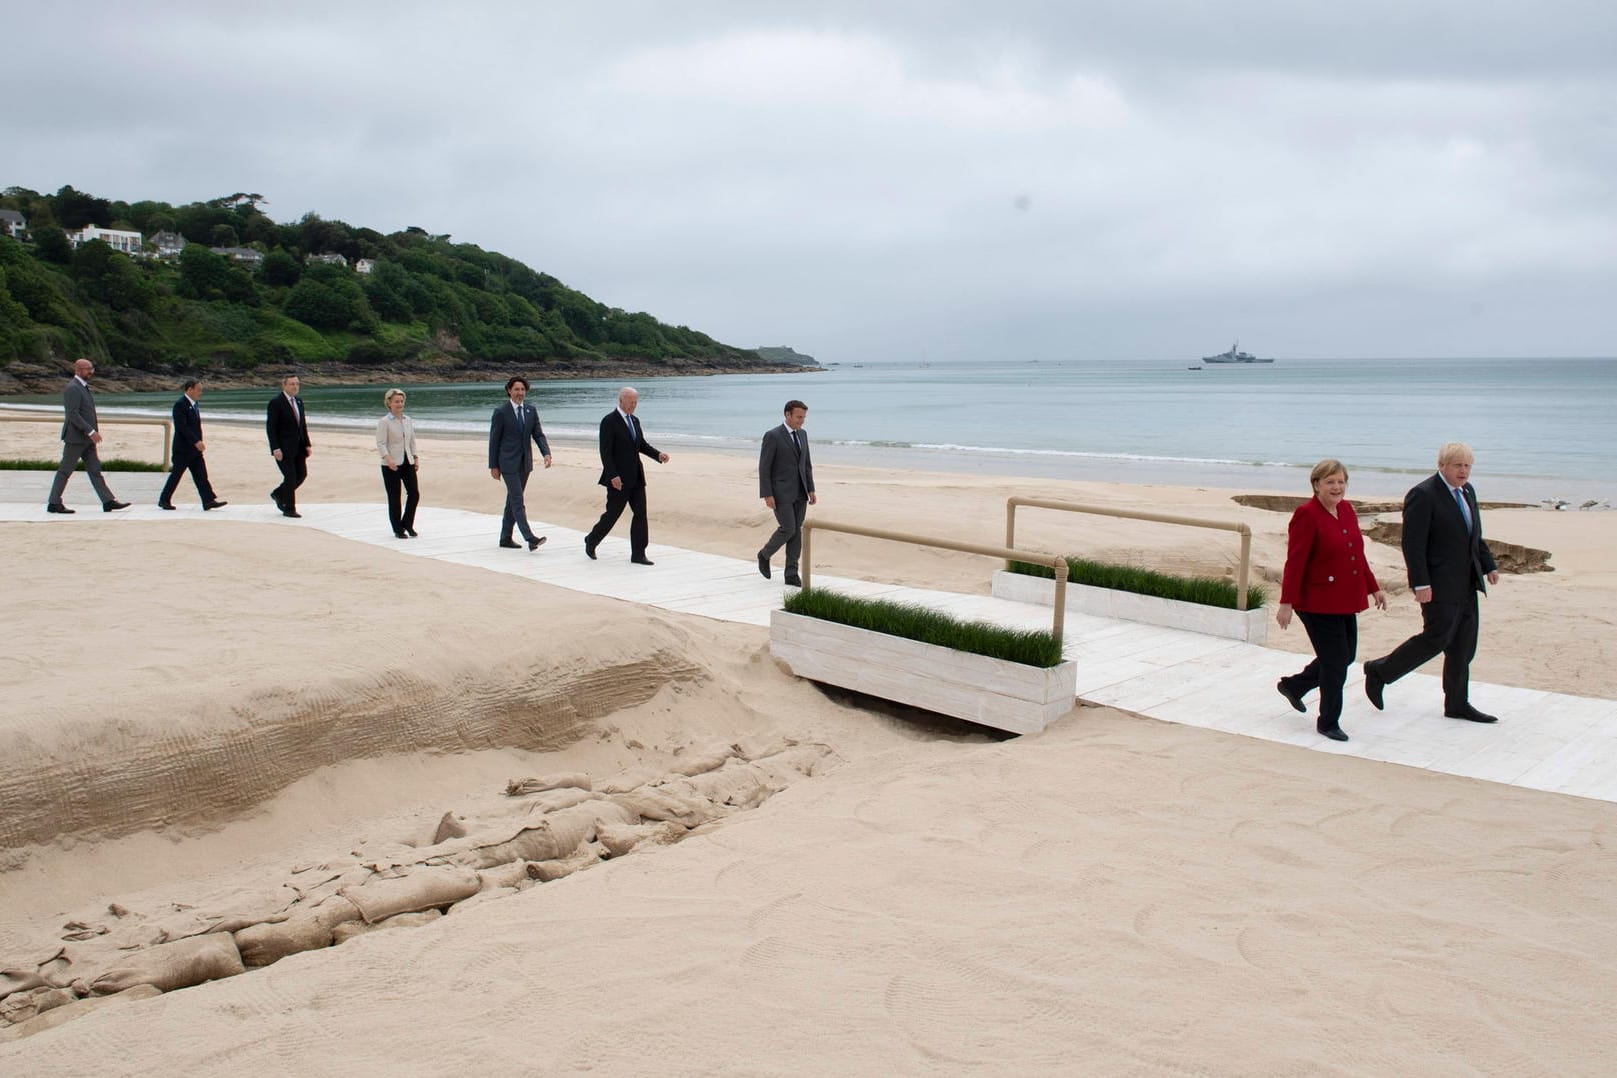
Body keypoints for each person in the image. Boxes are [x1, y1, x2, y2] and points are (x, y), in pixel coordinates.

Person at [1362, 443, 1501, 723]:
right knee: (1436, 639)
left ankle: (1457, 704)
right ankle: (1379, 671)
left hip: (1466, 582)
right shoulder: (1423, 495)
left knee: (1464, 646)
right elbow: (1413, 545)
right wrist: (1420, 584)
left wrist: (1488, 565)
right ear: (1442, 465)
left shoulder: (1468, 491)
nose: (1463, 471)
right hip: (1438, 584)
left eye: (1467, 466)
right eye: (1457, 465)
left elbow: (1474, 535)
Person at [1275, 459, 1387, 741]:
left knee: (1345, 655)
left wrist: (1374, 587)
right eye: (1330, 482)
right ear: (1316, 485)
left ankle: (1294, 686)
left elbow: (1357, 554)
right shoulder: (1306, 514)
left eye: (1340, 481)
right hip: (1314, 601)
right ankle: (1328, 722)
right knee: (1336, 662)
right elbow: (1295, 562)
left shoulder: (1347, 510)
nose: (1337, 487)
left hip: (1344, 598)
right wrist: (1286, 603)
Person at [583, 386, 668, 565]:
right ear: (621, 400)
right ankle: (592, 540)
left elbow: (641, 445)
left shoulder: (635, 421)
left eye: (635, 403)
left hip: (636, 476)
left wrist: (658, 455)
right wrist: (613, 475)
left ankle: (638, 554)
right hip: (618, 479)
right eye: (630, 402)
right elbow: (605, 452)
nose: (633, 406)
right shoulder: (609, 421)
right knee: (613, 513)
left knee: (640, 514)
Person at [45, 358, 129, 514]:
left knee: (95, 470)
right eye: (87, 369)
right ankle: (54, 503)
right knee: (65, 471)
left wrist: (91, 433)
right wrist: (90, 431)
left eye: (92, 368)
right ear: (77, 370)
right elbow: (73, 414)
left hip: (87, 440)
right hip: (75, 438)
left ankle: (108, 501)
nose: (91, 372)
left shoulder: (83, 387)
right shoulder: (73, 388)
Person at [756, 399, 817, 587]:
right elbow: (764, 467)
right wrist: (767, 494)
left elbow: (806, 464)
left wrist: (811, 488)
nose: (802, 421)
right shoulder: (773, 436)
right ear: (787, 415)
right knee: (788, 528)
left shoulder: (803, 434)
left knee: (796, 532)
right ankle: (764, 554)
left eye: (804, 417)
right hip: (780, 492)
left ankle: (791, 573)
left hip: (800, 492)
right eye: (799, 417)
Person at [487, 376, 550, 551]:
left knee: (512, 501)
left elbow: (538, 434)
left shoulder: (531, 410)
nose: (520, 393)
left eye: (522, 390)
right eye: (516, 389)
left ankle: (505, 538)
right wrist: (493, 465)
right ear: (509, 390)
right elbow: (494, 440)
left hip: (525, 464)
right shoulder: (501, 412)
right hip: (507, 463)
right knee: (517, 500)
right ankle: (530, 538)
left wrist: (546, 452)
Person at [157, 379, 227, 511]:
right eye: (198, 390)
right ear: (189, 389)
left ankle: (208, 500)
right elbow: (182, 427)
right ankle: (164, 500)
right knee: (176, 475)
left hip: (194, 450)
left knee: (201, 475)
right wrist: (196, 441)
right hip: (183, 449)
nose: (200, 393)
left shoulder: (194, 404)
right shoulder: (180, 405)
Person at [376, 388, 420, 539]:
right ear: (389, 403)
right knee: (395, 497)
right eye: (396, 401)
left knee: (414, 494)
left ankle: (407, 523)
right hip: (391, 464)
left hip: (407, 461)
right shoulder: (384, 422)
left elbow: (412, 440)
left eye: (401, 401)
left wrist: (415, 457)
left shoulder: (408, 420)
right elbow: (381, 443)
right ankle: (397, 529)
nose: (399, 404)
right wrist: (388, 460)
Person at [266, 373, 311, 518]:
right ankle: (289, 508)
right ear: (284, 385)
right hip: (283, 448)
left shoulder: (299, 401)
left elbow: (302, 425)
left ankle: (279, 493)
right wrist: (275, 448)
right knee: (290, 477)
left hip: (299, 446)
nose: (295, 386)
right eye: (292, 384)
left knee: (301, 475)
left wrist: (307, 444)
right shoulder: (276, 402)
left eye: (297, 384)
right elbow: (271, 427)